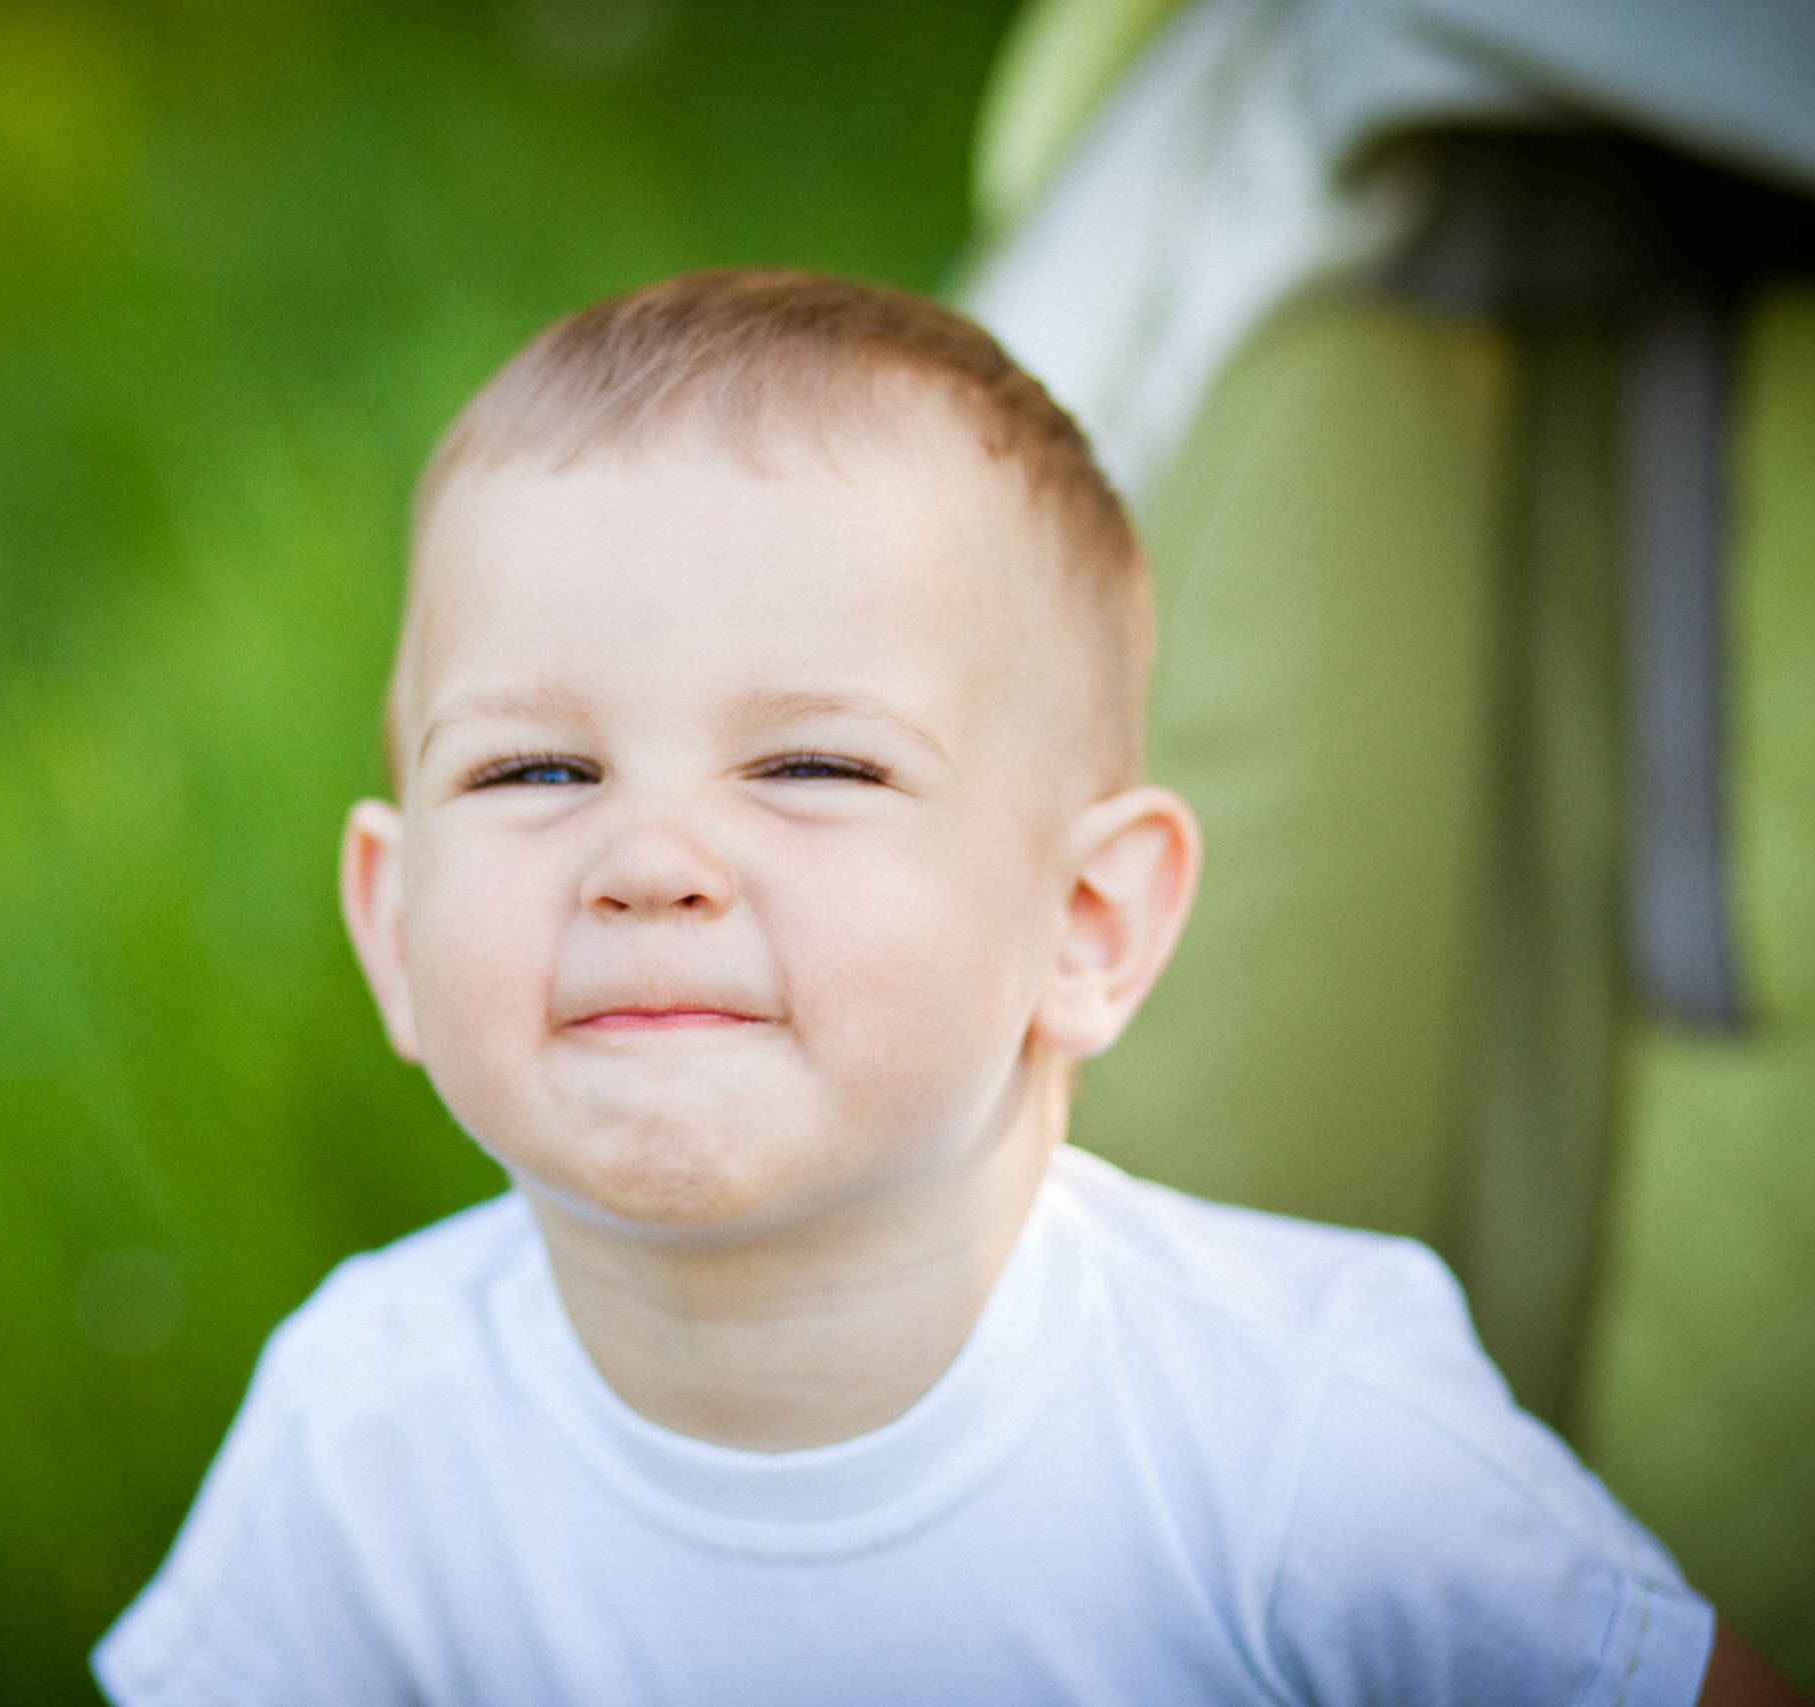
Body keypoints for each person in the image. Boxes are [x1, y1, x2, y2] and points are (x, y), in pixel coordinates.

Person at [92, 270, 1790, 1705]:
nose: (647, 859)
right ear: (391, 929)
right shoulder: (364, 1438)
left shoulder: (1312, 1449)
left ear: (1087, 923)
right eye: (537, 771)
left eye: (813, 764)